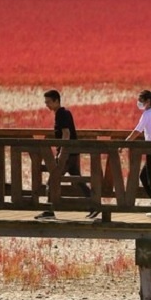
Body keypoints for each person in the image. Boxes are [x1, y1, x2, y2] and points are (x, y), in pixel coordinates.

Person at [36, 90, 96, 220]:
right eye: (46, 102)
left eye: (48, 102)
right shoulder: (65, 112)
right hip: (72, 153)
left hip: (67, 154)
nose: (47, 105)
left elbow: (66, 133)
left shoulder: (61, 114)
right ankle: (95, 205)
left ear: (56, 101)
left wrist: (62, 153)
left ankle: (49, 211)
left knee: (52, 181)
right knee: (78, 181)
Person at [123, 90, 151, 219]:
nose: (139, 103)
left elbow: (137, 130)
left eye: (141, 101)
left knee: (149, 179)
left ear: (148, 101)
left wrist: (125, 143)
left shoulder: (147, 114)